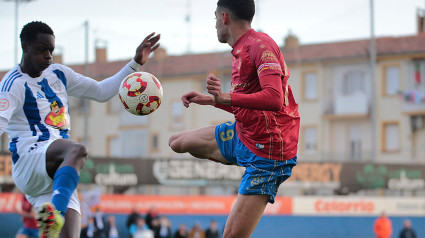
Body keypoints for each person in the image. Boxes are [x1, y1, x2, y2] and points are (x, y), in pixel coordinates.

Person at [0, 21, 160, 238]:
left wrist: (135, 64)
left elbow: (102, 91)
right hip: (30, 159)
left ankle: (52, 216)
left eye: (51, 50)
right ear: (25, 47)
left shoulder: (58, 74)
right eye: (42, 50)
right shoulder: (13, 84)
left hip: (54, 174)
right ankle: (55, 212)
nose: (48, 56)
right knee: (77, 150)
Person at [168, 0, 299, 237]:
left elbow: (274, 98)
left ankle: (240, 161)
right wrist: (212, 100)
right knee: (176, 142)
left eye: (215, 17)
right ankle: (235, 158)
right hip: (245, 135)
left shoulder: (260, 45)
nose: (215, 23)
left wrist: (224, 97)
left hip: (268, 153)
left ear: (224, 17)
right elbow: (249, 105)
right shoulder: (240, 50)